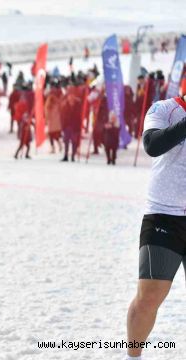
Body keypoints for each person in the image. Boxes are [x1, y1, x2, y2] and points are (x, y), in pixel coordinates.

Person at [125, 93, 186, 360]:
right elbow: (151, 144)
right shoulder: (164, 109)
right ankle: (132, 356)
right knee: (149, 298)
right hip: (164, 215)